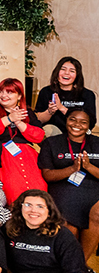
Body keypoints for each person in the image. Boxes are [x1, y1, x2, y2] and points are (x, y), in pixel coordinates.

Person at [38, 106, 99, 259]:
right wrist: (72, 169)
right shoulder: (51, 143)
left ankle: (81, 264)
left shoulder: (97, 143)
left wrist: (88, 167)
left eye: (83, 122)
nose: (77, 124)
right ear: (66, 121)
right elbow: (48, 175)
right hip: (63, 188)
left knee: (97, 214)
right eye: (72, 119)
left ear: (89, 125)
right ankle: (70, 263)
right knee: (69, 226)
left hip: (93, 189)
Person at [0, 78, 47, 204]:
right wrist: (9, 119)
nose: (4, 95)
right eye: (1, 91)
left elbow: (39, 136)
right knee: (13, 190)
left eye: (9, 92)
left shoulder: (27, 112)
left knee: (39, 189)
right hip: (3, 155)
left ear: (19, 96)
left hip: (28, 155)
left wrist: (19, 123)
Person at [36, 56, 97, 135]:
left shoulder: (87, 94)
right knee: (48, 129)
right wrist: (49, 111)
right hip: (55, 134)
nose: (66, 73)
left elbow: (90, 123)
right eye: (63, 69)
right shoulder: (46, 92)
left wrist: (62, 108)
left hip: (78, 132)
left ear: (77, 75)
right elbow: (38, 121)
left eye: (72, 71)